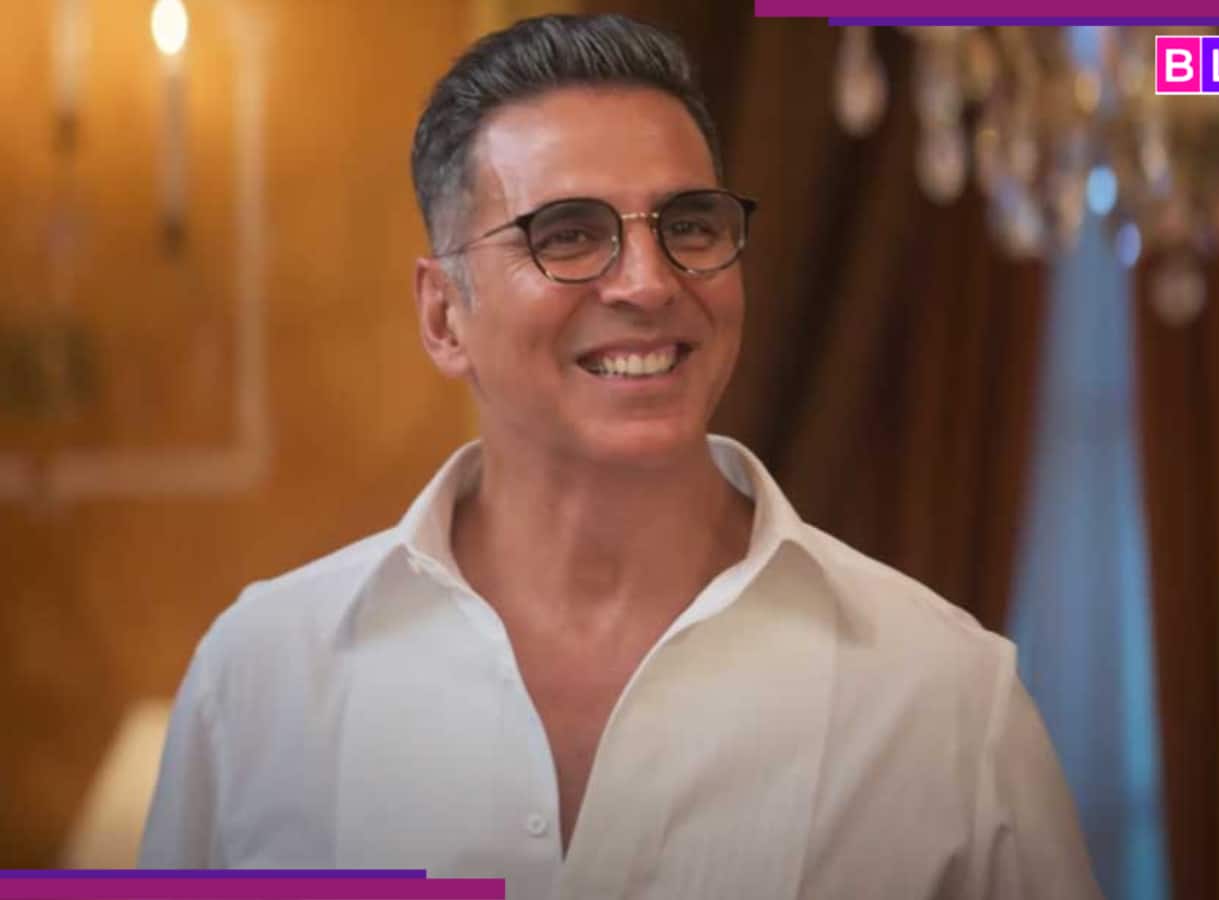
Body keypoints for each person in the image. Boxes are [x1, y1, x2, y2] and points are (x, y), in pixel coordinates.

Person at [140, 13, 1101, 899]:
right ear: (443, 316)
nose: (648, 283)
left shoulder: (946, 699)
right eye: (567, 235)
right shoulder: (259, 683)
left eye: (689, 226)